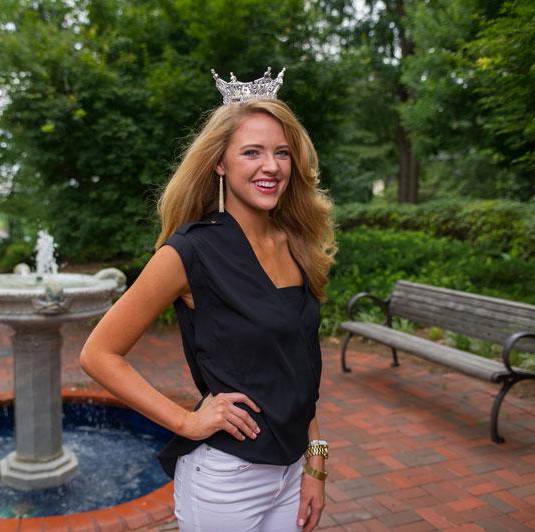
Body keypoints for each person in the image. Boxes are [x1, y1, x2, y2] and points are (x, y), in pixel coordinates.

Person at [80, 68, 337, 531]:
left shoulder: (294, 243)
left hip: (292, 472)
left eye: (281, 153)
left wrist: (315, 459)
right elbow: (98, 354)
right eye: (252, 152)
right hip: (226, 480)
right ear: (220, 162)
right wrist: (186, 422)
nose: (271, 166)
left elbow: (298, 368)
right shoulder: (190, 251)